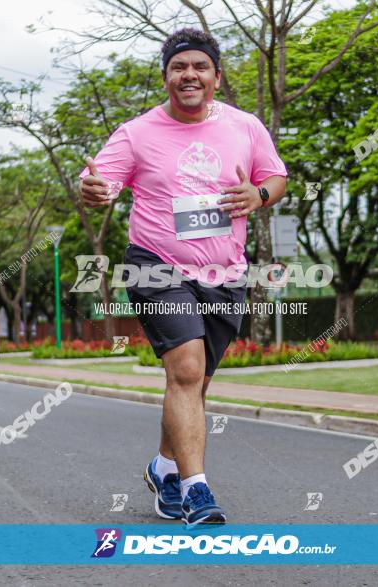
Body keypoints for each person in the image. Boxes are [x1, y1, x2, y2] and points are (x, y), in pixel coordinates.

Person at [80, 28, 287, 527]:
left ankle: (165, 467)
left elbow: (275, 177)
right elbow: (99, 182)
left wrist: (259, 197)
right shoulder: (136, 133)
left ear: (216, 76)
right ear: (166, 76)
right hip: (156, 264)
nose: (188, 74)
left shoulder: (245, 126)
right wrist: (94, 191)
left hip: (225, 272)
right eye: (179, 67)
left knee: (194, 383)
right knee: (188, 370)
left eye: (199, 66)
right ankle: (198, 491)